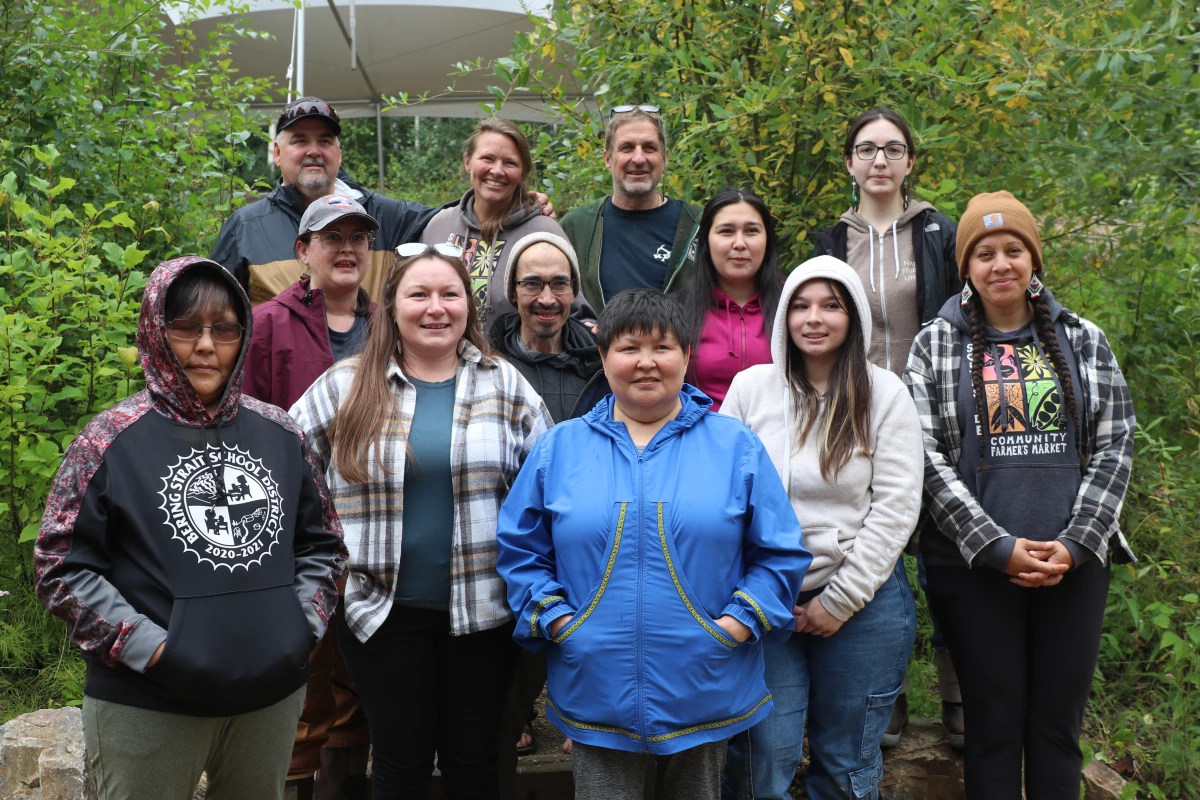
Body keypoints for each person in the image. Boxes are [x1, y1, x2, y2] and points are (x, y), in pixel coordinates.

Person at [34, 256, 347, 800]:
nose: (207, 345)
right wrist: (153, 648)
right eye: (186, 328)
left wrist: (298, 628)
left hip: (268, 698)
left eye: (224, 329)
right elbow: (60, 567)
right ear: (157, 331)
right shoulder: (108, 439)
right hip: (150, 700)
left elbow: (324, 547)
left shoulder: (281, 433)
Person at [496, 289, 810, 800]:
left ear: (687, 356)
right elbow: (520, 550)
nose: (646, 363)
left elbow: (779, 553)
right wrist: (558, 622)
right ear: (603, 357)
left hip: (705, 681)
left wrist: (732, 627)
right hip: (595, 685)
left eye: (662, 347)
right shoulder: (561, 447)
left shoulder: (735, 446)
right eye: (628, 348)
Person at [291, 243, 553, 799]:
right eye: (419, 294)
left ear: (468, 307)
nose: (435, 308)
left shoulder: (506, 385)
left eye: (449, 294)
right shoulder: (345, 385)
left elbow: (551, 489)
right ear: (391, 307)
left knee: (475, 762)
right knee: (399, 764)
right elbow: (284, 470)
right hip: (381, 615)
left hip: (485, 614)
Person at [904, 191, 1135, 798]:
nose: (1000, 263)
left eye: (1013, 250)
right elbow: (922, 456)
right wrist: (994, 544)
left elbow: (1116, 443)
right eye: (984, 253)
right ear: (966, 268)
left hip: (1074, 568)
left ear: (1034, 260)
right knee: (992, 729)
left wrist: (1080, 542)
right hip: (972, 568)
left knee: (1057, 729)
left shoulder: (1084, 340)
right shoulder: (935, 345)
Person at [720, 256, 923, 799]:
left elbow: (896, 508)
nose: (815, 318)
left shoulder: (885, 394)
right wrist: (754, 591)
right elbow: (725, 498)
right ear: (784, 315)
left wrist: (840, 600)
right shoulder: (750, 389)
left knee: (846, 763)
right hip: (767, 601)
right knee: (765, 756)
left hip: (865, 599)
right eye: (801, 305)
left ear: (853, 316)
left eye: (831, 305)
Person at [811, 107, 963, 745]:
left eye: (892, 149)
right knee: (871, 553)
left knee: (947, 558)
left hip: (933, 415)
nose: (879, 160)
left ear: (909, 163)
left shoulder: (937, 233)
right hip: (853, 419)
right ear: (849, 162)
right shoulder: (828, 241)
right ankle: (888, 695)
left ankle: (959, 698)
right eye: (867, 149)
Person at [241, 192, 378, 800]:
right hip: (296, 523)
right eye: (332, 238)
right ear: (304, 251)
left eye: (358, 238)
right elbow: (243, 416)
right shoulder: (268, 323)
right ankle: (293, 784)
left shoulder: (391, 323)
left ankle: (342, 785)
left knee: (357, 669)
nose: (347, 248)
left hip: (376, 521)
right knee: (306, 662)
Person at [211, 97, 556, 306]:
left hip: (370, 393)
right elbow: (216, 313)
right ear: (277, 152)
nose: (314, 151)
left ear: (339, 152)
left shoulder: (382, 216)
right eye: (300, 140)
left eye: (325, 140)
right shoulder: (245, 226)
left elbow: (459, 214)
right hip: (278, 393)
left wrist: (517, 202)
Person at [422, 117, 590, 333]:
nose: (497, 171)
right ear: (467, 162)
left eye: (509, 163)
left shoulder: (544, 232)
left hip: (519, 365)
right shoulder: (439, 226)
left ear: (522, 172)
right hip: (443, 361)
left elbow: (574, 311)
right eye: (487, 158)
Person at [560, 106, 702, 313]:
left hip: (680, 345)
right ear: (608, 159)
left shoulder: (697, 226)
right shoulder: (576, 227)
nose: (638, 158)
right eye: (626, 148)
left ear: (665, 158)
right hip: (594, 345)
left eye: (649, 148)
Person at [678, 189, 783, 411]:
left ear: (767, 239)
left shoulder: (795, 304)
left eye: (751, 231)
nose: (739, 243)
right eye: (726, 231)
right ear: (706, 240)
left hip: (779, 441)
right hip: (701, 439)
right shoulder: (677, 310)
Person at [489, 232, 609, 422]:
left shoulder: (602, 363)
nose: (547, 299)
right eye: (532, 284)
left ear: (573, 291)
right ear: (513, 291)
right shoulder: (488, 365)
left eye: (560, 284)